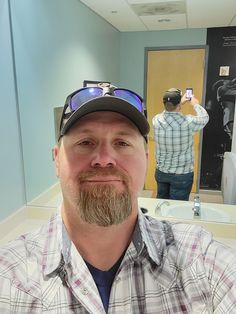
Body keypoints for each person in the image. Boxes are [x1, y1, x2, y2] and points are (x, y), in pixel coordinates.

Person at [0, 83, 235, 313]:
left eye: (122, 143)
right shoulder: (9, 278)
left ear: (146, 157)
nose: (104, 158)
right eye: (85, 142)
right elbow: (203, 119)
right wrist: (192, 103)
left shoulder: (200, 260)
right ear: (57, 159)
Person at [152, 88, 209, 200]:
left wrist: (178, 103)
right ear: (178, 104)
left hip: (161, 172)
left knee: (161, 204)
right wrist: (195, 104)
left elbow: (168, 112)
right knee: (177, 208)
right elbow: (205, 117)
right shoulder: (188, 123)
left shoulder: (156, 120)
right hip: (182, 175)